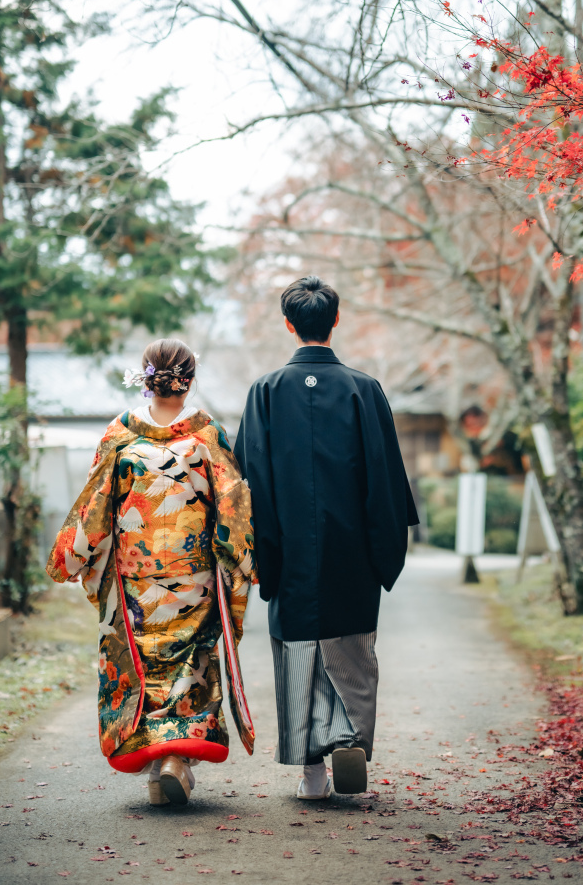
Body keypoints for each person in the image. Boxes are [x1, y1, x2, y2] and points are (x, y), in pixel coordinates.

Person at [46, 338, 254, 807]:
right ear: (189, 380)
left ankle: (158, 766)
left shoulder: (120, 434)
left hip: (134, 576)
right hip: (193, 576)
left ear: (146, 379)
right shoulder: (207, 434)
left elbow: (97, 503)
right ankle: (176, 762)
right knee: (190, 662)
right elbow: (234, 505)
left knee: (141, 666)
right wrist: (241, 560)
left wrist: (75, 557)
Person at [234, 276, 418, 800]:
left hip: (288, 550)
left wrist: (262, 555)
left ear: (289, 325)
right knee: (353, 651)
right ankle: (351, 740)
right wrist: (383, 555)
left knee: (296, 654)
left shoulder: (265, 392)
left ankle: (312, 774)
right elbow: (384, 479)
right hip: (352, 555)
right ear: (334, 320)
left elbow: (250, 483)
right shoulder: (365, 389)